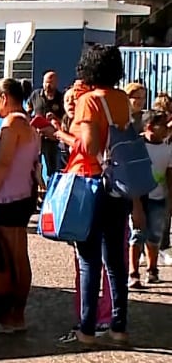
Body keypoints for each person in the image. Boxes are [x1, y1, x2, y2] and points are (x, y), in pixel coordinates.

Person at [44, 45, 131, 346]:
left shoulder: (90, 102)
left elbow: (90, 148)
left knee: (88, 260)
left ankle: (87, 328)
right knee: (116, 261)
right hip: (119, 185)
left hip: (91, 183)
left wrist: (60, 134)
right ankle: (119, 326)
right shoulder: (121, 99)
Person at [0, 78, 40, 335]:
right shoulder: (30, 126)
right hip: (23, 195)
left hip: (8, 198)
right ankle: (14, 314)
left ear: (4, 97)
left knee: (10, 257)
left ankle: (10, 316)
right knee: (17, 255)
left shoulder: (11, 124)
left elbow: (3, 164)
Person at [129, 110, 172, 288]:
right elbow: (131, 175)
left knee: (154, 237)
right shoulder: (138, 147)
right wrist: (134, 203)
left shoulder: (168, 147)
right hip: (139, 198)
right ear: (149, 127)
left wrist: (170, 200)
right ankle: (133, 272)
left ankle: (152, 270)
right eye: (161, 125)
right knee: (136, 236)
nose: (166, 129)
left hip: (158, 198)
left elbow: (170, 175)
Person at [27, 70, 65, 178]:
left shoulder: (61, 98)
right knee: (33, 166)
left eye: (50, 82)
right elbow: (29, 109)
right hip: (36, 136)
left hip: (52, 139)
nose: (47, 85)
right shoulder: (35, 95)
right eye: (46, 82)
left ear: (56, 83)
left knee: (51, 168)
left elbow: (66, 120)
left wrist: (55, 118)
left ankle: (50, 188)